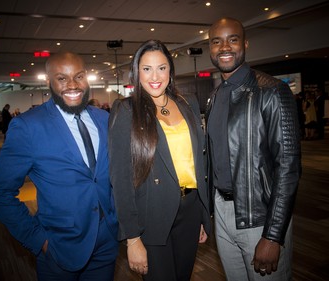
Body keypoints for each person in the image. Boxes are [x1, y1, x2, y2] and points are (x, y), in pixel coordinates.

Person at [0, 52, 119, 281]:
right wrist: (39, 241)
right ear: (48, 82)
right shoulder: (28, 126)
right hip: (59, 248)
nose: (73, 85)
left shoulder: (103, 118)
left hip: (106, 242)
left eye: (79, 76)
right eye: (62, 78)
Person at [205, 17, 301, 281]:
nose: (224, 47)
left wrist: (273, 235)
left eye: (232, 39)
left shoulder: (272, 91)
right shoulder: (215, 96)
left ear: (244, 44)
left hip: (260, 215)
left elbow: (288, 167)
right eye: (217, 41)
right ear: (210, 48)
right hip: (223, 212)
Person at [108, 39, 211, 281]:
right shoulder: (126, 110)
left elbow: (198, 162)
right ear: (137, 72)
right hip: (151, 217)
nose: (155, 76)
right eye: (147, 69)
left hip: (190, 210)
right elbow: (121, 179)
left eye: (162, 68)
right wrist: (132, 238)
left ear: (170, 71)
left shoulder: (188, 104)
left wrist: (202, 216)